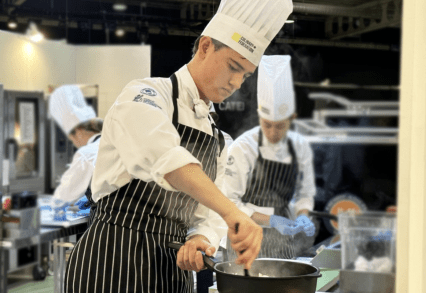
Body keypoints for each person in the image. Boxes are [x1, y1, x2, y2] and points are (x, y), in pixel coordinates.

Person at [64, 0, 293, 292]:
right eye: (233, 67)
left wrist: (200, 238)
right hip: (111, 259)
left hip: (171, 270)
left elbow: (206, 215)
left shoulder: (220, 141)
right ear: (206, 46)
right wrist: (232, 213)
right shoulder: (144, 95)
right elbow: (166, 159)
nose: (236, 82)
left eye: (245, 75)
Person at [224, 55, 317, 260]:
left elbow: (306, 192)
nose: (273, 132)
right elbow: (229, 202)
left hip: (284, 243)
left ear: (292, 118)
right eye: (267, 124)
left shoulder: (299, 146)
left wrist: (303, 215)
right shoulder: (244, 147)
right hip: (245, 239)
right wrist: (272, 220)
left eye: (280, 126)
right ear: (259, 116)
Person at [48, 85, 103, 221]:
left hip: (108, 222)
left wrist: (55, 205)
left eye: (72, 139)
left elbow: (64, 195)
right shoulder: (108, 143)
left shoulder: (87, 152)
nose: (74, 144)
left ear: (78, 132)